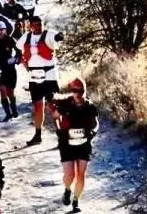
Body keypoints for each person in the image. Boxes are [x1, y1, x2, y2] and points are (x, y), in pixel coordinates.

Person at [53, 78, 100, 213]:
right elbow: (55, 116)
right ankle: (67, 190)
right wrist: (59, 130)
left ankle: (76, 201)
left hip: (84, 143)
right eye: (75, 90)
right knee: (70, 175)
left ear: (85, 91)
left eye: (81, 90)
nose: (78, 93)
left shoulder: (90, 107)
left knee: (81, 174)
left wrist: (93, 132)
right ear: (71, 91)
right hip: (66, 143)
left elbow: (96, 123)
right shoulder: (65, 104)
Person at [18, 15, 64, 146]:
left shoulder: (48, 34)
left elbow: (56, 37)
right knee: (38, 106)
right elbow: (17, 49)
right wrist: (24, 62)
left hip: (49, 75)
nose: (38, 26)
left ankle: (61, 135)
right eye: (35, 24)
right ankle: (38, 135)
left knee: (53, 105)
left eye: (40, 24)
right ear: (30, 25)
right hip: (34, 76)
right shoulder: (27, 37)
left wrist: (59, 37)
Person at [0, 19, 21, 121]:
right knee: (2, 91)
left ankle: (14, 110)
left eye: (1, 29)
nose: (0, 31)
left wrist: (14, 59)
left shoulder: (10, 40)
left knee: (10, 92)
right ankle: (8, 113)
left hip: (9, 68)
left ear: (5, 30)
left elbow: (19, 52)